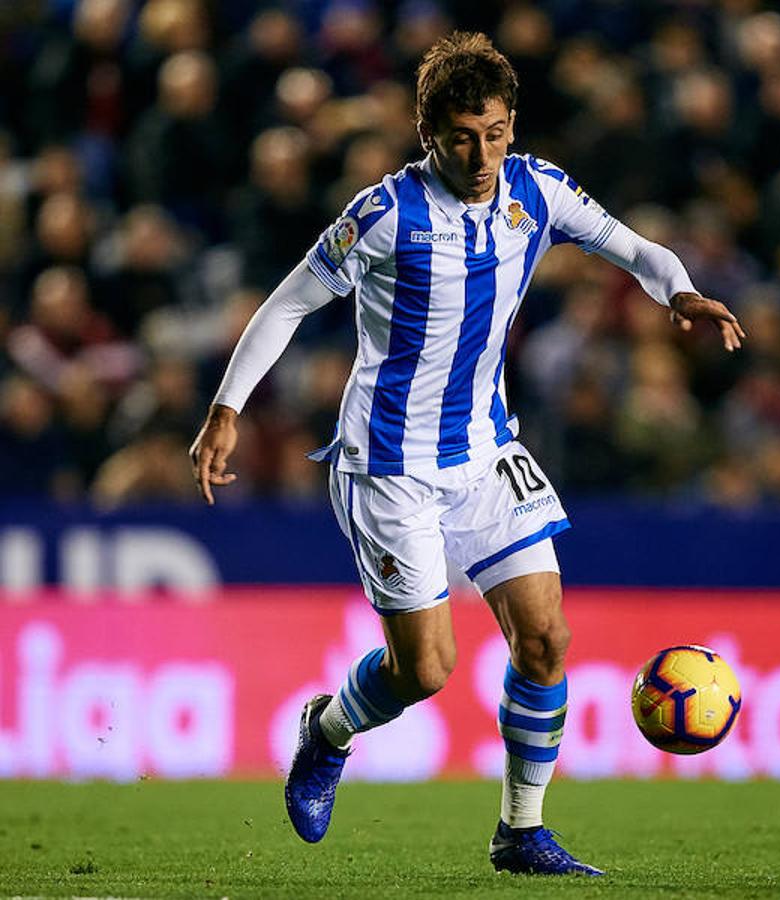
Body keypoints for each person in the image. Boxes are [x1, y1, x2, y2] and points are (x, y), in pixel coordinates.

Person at [189, 32, 744, 875]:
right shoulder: (383, 214)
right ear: (427, 136)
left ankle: (521, 833)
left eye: (491, 132)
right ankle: (325, 732)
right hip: (388, 464)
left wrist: (682, 290)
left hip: (485, 451)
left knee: (547, 639)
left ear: (511, 126)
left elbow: (636, 248)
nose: (479, 154)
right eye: (458, 136)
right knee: (427, 670)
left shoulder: (538, 192)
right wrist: (227, 408)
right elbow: (287, 305)